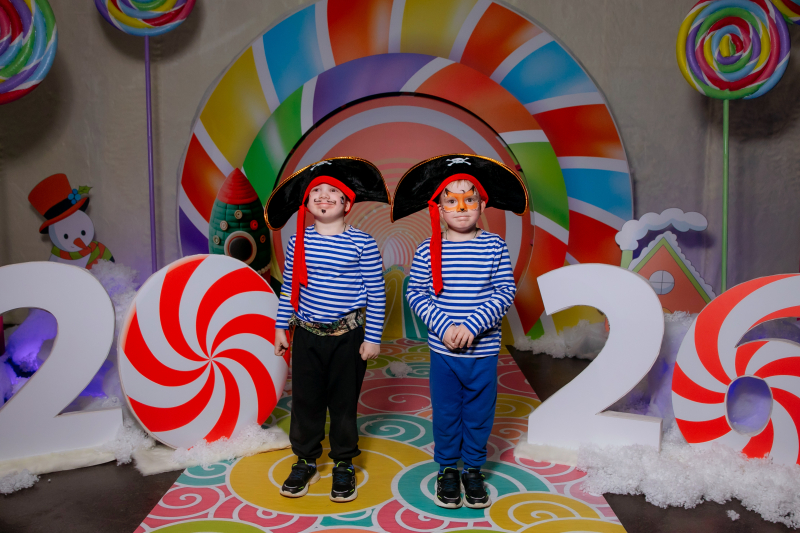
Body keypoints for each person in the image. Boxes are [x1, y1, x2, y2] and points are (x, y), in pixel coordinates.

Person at [394, 154, 528, 509]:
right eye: (451, 201)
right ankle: (447, 470)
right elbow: (415, 293)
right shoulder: (427, 250)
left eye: (470, 199)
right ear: (438, 209)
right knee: (447, 412)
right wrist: (444, 327)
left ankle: (472, 469)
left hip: (482, 352)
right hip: (444, 352)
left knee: (479, 413)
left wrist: (472, 325)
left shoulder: (494, 246)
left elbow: (505, 291)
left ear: (483, 205)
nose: (462, 207)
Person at [264, 157, 390, 503]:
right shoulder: (297, 241)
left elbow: (376, 291)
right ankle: (305, 460)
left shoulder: (363, 242)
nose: (323, 195)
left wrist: (372, 337)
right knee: (305, 401)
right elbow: (290, 288)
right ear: (306, 203)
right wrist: (280, 327)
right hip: (307, 336)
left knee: (343, 403)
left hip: (348, 338)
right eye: (316, 190)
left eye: (333, 191)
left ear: (347, 203)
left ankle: (344, 462)